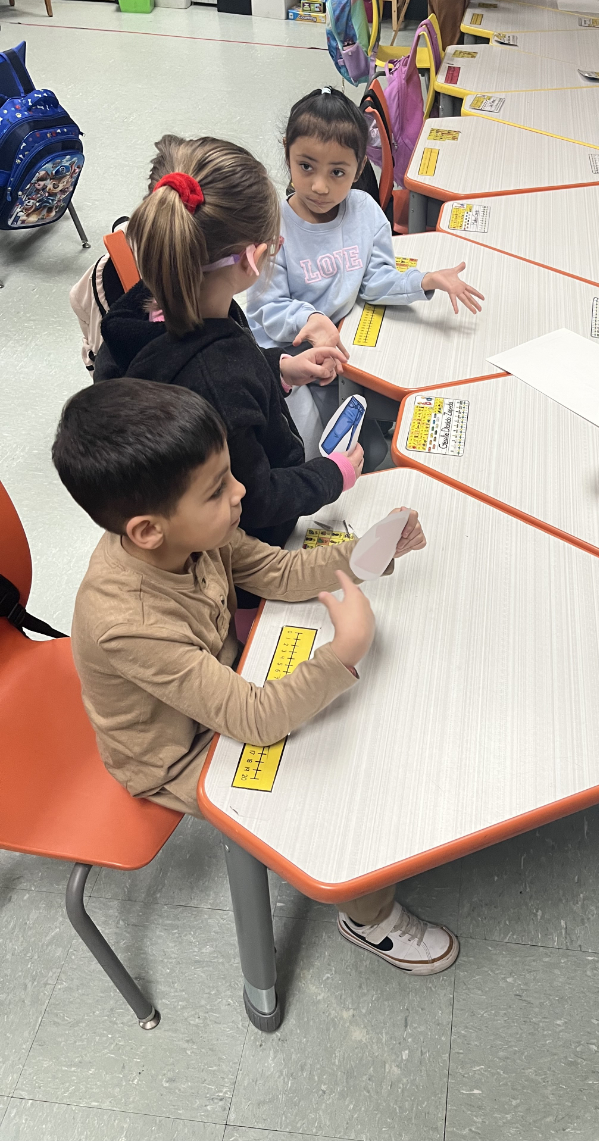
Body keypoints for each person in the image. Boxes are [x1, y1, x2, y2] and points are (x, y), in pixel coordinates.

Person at [54, 378, 460, 974]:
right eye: (218, 489)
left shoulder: (195, 537)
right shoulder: (126, 620)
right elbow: (254, 720)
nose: (242, 490)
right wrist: (344, 652)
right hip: (175, 755)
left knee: (352, 728)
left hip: (220, 689)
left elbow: (273, 569)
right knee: (322, 795)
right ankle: (369, 917)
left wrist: (367, 553)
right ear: (147, 529)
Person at [94, 135, 357, 551]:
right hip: (254, 546)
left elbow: (216, 374)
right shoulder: (217, 376)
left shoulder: (153, 310)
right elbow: (256, 500)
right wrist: (331, 475)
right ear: (249, 259)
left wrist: (280, 369)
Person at [246, 88, 484, 441]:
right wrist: (312, 321)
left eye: (337, 172)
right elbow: (268, 309)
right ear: (287, 152)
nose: (320, 186)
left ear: (359, 169)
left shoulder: (365, 212)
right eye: (306, 166)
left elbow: (375, 281)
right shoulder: (273, 225)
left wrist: (426, 281)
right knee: (335, 449)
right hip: (284, 357)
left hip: (339, 343)